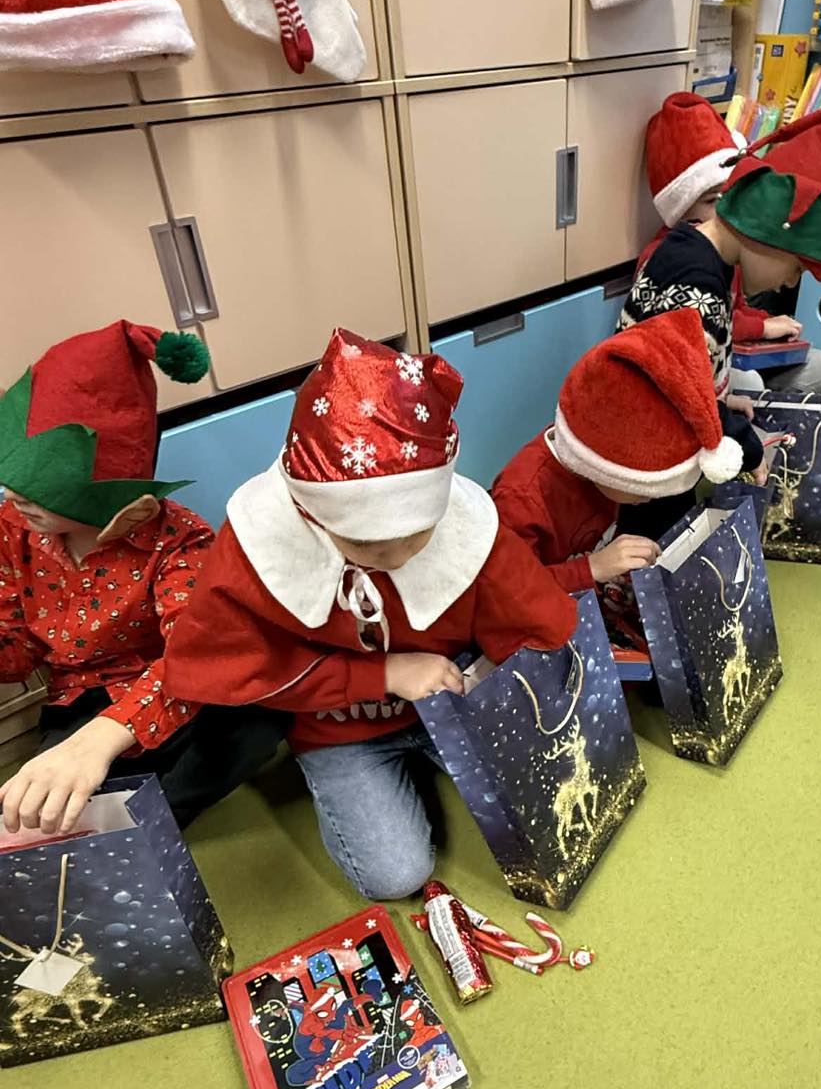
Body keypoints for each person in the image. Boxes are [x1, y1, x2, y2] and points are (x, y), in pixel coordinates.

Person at [164, 329, 577, 902]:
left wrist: (504, 692)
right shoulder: (260, 542)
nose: (400, 557)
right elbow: (233, 666)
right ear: (313, 515)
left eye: (419, 536)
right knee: (396, 876)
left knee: (552, 790)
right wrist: (380, 674)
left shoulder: (463, 522)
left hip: (445, 702)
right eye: (369, 545)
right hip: (341, 730)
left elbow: (537, 621)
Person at [0, 321, 289, 835]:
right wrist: (84, 740)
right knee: (50, 810)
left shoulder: (179, 540)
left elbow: (194, 657)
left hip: (180, 694)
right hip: (82, 700)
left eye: (40, 486)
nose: (15, 497)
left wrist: (104, 738)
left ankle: (157, 816)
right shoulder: (12, 529)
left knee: (256, 719)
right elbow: (18, 650)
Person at [618, 90, 821, 537]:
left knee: (669, 527)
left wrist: (722, 401)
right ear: (769, 234)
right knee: (652, 535)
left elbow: (694, 366)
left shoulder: (704, 259)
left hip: (666, 432)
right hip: (647, 445)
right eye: (796, 266)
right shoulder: (693, 278)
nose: (790, 283)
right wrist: (747, 444)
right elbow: (680, 391)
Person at [492, 308, 743, 590]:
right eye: (645, 489)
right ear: (613, 466)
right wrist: (591, 568)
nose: (650, 499)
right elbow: (505, 594)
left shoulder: (600, 472)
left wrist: (603, 569)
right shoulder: (521, 499)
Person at [635, 91, 821, 397]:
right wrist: (762, 329)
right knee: (749, 384)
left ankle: (767, 417)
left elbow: (735, 309)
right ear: (680, 208)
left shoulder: (729, 253)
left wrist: (765, 323)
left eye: (732, 196)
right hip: (692, 382)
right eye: (712, 200)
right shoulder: (677, 261)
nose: (726, 212)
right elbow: (687, 344)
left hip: (728, 361)